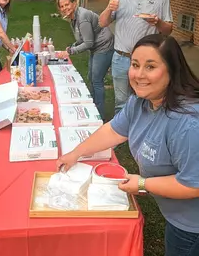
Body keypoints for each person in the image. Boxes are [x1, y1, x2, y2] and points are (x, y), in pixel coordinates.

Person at [57, 34, 199, 256]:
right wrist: (76, 153)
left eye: (150, 66)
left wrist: (143, 184)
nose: (139, 74)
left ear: (172, 71)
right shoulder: (141, 101)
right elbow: (114, 130)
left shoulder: (188, 124)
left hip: (192, 223)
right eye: (135, 65)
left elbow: (193, 185)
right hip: (176, 213)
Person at [99, 0, 173, 114]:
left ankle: (143, 134)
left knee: (148, 102)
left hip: (148, 62)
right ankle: (123, 136)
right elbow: (102, 22)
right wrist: (109, 8)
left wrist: (158, 23)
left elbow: (168, 30)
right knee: (121, 103)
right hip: (121, 58)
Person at [58, 0, 114, 121]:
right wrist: (72, 46)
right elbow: (82, 37)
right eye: (62, 6)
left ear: (74, 3)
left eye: (67, 4)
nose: (65, 8)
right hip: (96, 47)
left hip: (104, 46)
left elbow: (88, 43)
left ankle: (99, 116)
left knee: (96, 80)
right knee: (91, 76)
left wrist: (71, 51)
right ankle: (93, 105)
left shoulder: (82, 17)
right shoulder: (72, 17)